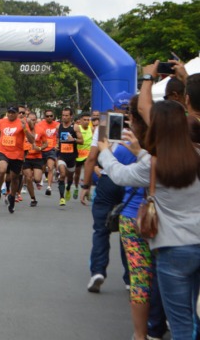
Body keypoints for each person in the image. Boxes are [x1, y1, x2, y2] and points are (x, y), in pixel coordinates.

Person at [99, 99, 200, 340]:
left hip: (171, 247)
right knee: (194, 316)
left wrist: (105, 152)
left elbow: (121, 175)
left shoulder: (155, 162)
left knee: (180, 322)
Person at [79, 94, 132, 294]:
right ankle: (130, 277)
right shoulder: (141, 125)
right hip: (133, 182)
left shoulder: (104, 125)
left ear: (114, 108)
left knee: (101, 229)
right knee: (128, 231)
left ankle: (98, 272)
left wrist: (85, 185)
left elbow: (92, 157)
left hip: (109, 179)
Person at [0, 106, 35, 213]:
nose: (11, 114)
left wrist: (25, 129)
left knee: (15, 178)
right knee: (1, 169)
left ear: (17, 113)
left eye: (13, 113)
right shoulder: (1, 122)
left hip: (17, 154)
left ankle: (12, 197)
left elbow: (32, 140)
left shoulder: (22, 123)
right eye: (9, 112)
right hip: (3, 151)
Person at [56, 107, 83, 208]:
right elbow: (57, 139)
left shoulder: (75, 127)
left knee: (70, 177)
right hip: (61, 155)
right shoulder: (58, 127)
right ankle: (62, 198)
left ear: (71, 116)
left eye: (67, 115)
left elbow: (82, 141)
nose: (64, 117)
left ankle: (68, 188)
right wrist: (56, 145)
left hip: (72, 156)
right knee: (62, 174)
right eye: (63, 115)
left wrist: (73, 139)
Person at [23, 111, 48, 207]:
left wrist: (40, 148)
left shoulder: (40, 130)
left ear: (36, 120)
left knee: (37, 179)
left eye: (34, 120)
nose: (32, 122)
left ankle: (37, 180)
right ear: (27, 119)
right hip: (26, 157)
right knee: (28, 178)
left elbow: (46, 143)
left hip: (37, 157)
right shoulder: (24, 129)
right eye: (30, 120)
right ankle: (33, 198)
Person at [37, 109, 60, 196]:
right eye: (47, 116)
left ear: (53, 117)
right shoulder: (40, 125)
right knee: (42, 168)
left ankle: (49, 187)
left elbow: (61, 135)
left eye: (51, 116)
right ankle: (41, 179)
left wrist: (58, 144)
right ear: (44, 117)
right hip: (42, 149)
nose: (49, 117)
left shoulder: (57, 125)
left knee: (50, 167)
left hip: (52, 149)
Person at [73, 112, 92, 200]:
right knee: (77, 174)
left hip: (88, 154)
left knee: (88, 173)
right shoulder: (77, 128)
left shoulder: (92, 129)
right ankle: (76, 187)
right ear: (80, 120)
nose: (86, 121)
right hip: (78, 154)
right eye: (84, 120)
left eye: (88, 120)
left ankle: (87, 190)